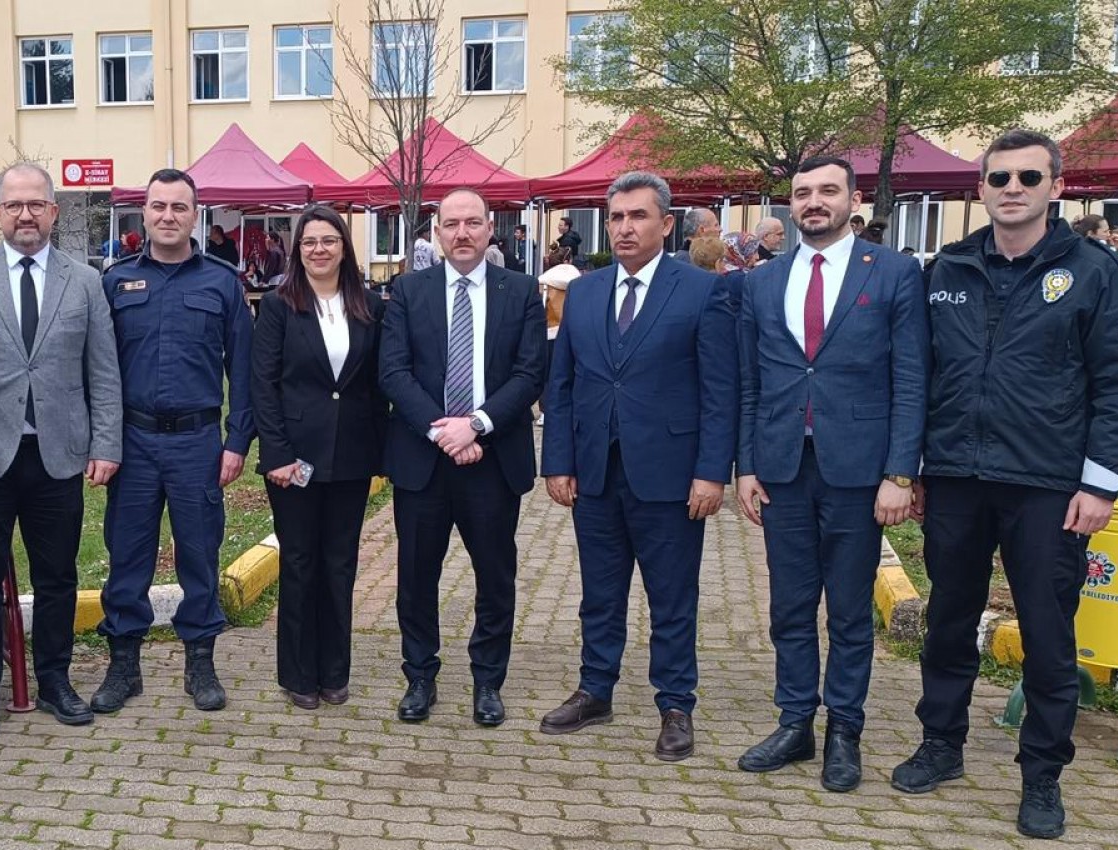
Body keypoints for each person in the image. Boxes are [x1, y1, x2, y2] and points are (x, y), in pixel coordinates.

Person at [898, 130, 1118, 840]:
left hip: (1048, 484)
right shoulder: (947, 267)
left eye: (1028, 178)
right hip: (955, 476)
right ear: (981, 187)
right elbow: (920, 374)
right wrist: (912, 467)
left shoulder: (1096, 272)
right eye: (999, 177)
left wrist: (1100, 486)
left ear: (1056, 187)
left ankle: (1042, 773)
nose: (1012, 188)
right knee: (949, 618)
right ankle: (941, 743)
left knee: (1046, 631)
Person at [732, 157, 928, 792]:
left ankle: (845, 730)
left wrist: (901, 472)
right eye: (802, 193)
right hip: (783, 468)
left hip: (859, 469)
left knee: (847, 611)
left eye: (827, 191)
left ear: (853, 199)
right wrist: (746, 465)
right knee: (789, 608)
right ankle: (795, 723)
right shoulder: (764, 281)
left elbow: (911, 379)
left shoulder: (893, 272)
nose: (813, 202)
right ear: (790, 204)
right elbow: (751, 382)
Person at [539, 171, 737, 762]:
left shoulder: (701, 291)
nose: (625, 228)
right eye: (617, 217)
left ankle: (675, 704)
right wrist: (558, 461)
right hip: (596, 472)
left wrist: (712, 472)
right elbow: (562, 385)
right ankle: (595, 689)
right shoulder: (585, 292)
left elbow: (719, 391)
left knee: (671, 596)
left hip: (671, 475)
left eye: (638, 216)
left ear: (667, 224)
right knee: (599, 593)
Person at [0, 163, 123, 735]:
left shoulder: (85, 281)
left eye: (36, 205)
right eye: (14, 205)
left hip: (59, 454)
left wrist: (106, 443)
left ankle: (54, 680)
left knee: (57, 576)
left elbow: (104, 371)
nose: (26, 215)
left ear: (54, 211)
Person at [379, 188, 547, 727]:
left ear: (490, 228)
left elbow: (530, 373)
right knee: (415, 577)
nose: (462, 233)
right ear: (436, 233)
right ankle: (420, 676)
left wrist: (474, 425)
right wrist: (443, 430)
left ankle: (488, 681)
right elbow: (393, 372)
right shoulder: (409, 290)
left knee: (495, 577)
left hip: (492, 461)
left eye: (473, 222)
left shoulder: (520, 291)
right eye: (451, 224)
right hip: (423, 461)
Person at [93, 169, 254, 714]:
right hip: (133, 443)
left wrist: (237, 441)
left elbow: (244, 370)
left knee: (200, 555)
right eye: (158, 206)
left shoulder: (222, 282)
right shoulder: (115, 282)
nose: (168, 216)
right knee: (127, 556)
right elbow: (97, 369)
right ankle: (124, 667)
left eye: (179, 207)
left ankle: (200, 663)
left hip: (197, 443)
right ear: (144, 212)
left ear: (195, 214)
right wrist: (100, 440)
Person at [252, 205, 386, 710]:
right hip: (294, 462)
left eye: (328, 240)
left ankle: (334, 672)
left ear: (344, 247)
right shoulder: (278, 306)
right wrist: (277, 454)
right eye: (309, 242)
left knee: (340, 564)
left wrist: (381, 451)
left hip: (351, 457)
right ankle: (298, 675)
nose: (319, 250)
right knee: (300, 564)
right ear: (298, 250)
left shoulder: (369, 306)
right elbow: (264, 385)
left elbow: (377, 384)